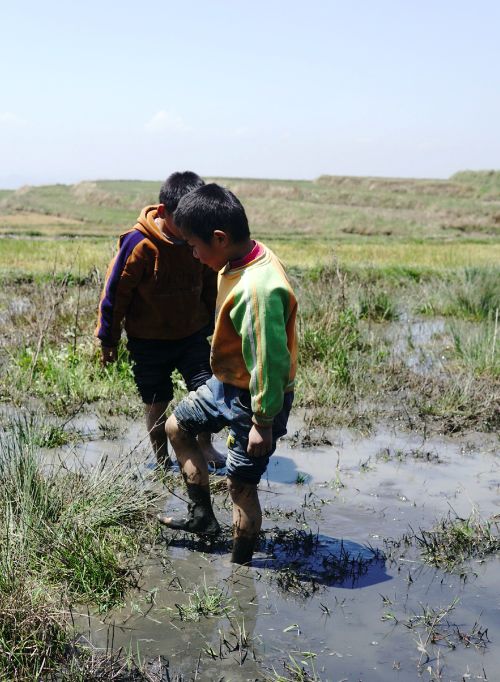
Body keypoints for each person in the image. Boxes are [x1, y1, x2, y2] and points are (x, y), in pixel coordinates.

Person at [158, 183, 298, 565]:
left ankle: (240, 567)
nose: (192, 253)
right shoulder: (235, 259)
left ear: (219, 238)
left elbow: (270, 362)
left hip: (256, 398)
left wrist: (263, 422)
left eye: (194, 245)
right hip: (225, 384)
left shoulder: (258, 290)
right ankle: (202, 518)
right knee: (177, 428)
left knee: (240, 484)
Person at [95, 172, 225, 470]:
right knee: (157, 400)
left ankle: (205, 446)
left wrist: (211, 326)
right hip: (148, 339)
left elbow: (209, 282)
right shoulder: (139, 244)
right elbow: (115, 294)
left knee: (205, 390)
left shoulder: (197, 239)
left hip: (191, 334)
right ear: (164, 212)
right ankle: (162, 458)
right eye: (184, 221)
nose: (189, 231)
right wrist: (108, 339)